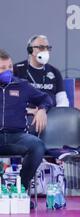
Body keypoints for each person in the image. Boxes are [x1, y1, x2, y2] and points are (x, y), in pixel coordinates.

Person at [0, 49, 51, 208]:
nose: (7, 70)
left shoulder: (22, 85)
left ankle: (21, 190)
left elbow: (45, 98)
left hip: (18, 136)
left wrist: (42, 109)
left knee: (37, 145)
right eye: (2, 68)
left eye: (9, 67)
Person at [13, 35, 69, 111]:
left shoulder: (55, 72)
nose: (45, 51)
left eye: (48, 48)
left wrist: (57, 115)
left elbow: (62, 99)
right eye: (41, 47)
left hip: (50, 115)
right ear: (30, 50)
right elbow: (10, 97)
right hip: (24, 114)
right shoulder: (17, 69)